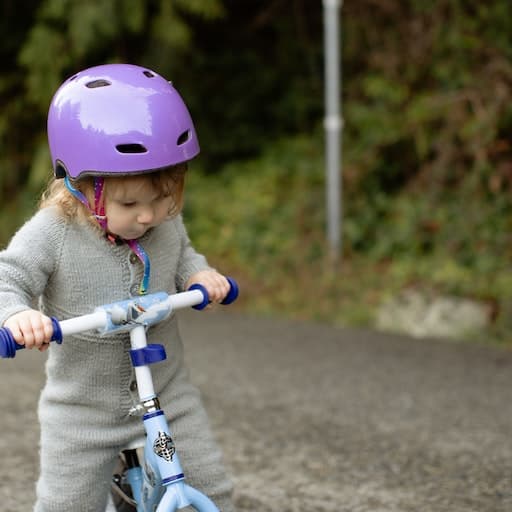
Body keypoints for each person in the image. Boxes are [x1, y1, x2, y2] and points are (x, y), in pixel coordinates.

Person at [0, 64, 235, 511]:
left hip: (167, 397)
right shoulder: (54, 231)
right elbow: (6, 278)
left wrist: (199, 276)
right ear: (82, 186)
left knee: (210, 486)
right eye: (130, 203)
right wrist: (17, 314)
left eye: (164, 198)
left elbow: (184, 254)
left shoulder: (163, 224)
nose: (149, 216)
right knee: (67, 505)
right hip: (83, 412)